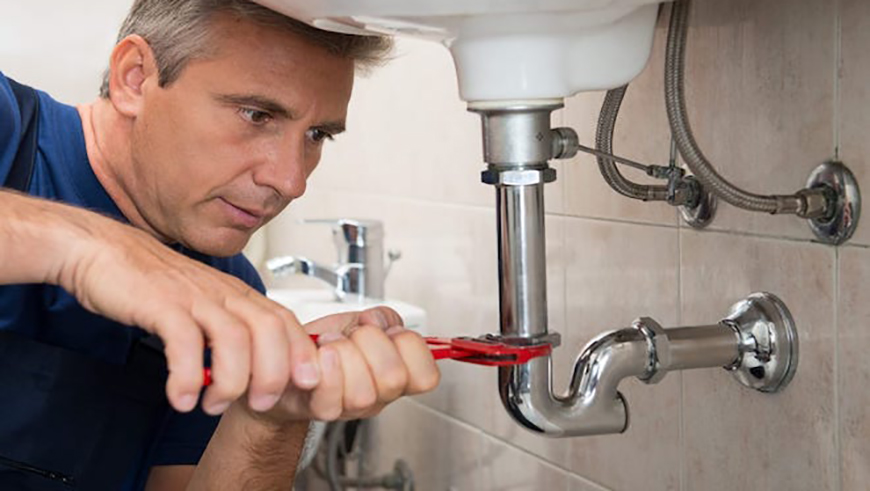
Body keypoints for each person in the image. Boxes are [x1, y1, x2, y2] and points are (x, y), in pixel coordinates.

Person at [0, 0, 440, 489]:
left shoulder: (228, 293)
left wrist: (272, 414)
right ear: (135, 78)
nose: (291, 181)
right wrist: (92, 246)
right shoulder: (9, 131)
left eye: (316, 135)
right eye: (256, 115)